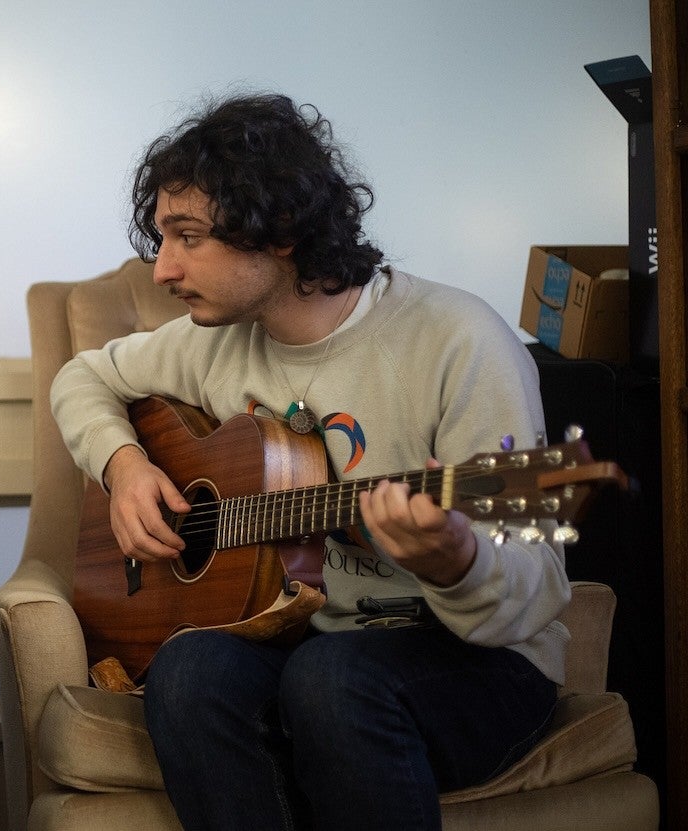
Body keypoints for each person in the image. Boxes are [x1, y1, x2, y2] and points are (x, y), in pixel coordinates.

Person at [51, 93, 571, 830]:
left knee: (332, 680)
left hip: (480, 660)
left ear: (282, 228)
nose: (162, 269)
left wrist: (456, 558)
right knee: (190, 671)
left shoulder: (459, 340)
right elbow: (83, 376)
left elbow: (537, 580)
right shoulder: (212, 342)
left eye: (188, 237)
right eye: (162, 237)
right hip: (306, 639)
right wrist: (125, 466)